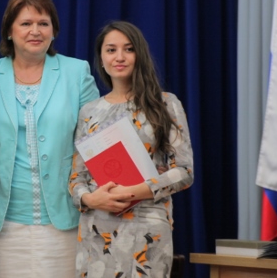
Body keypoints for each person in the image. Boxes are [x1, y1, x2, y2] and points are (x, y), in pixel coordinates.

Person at [0, 0, 99, 278]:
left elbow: (97, 139)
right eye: (26, 23)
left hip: (65, 219)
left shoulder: (76, 72)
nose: (35, 31)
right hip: (6, 223)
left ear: (54, 30)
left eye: (43, 23)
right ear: (9, 31)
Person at [69, 21, 194, 278]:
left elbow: (184, 171)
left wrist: (132, 192)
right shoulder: (89, 111)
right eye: (111, 50)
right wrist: (90, 199)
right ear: (101, 59)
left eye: (128, 49)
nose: (120, 57)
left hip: (146, 227)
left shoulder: (165, 104)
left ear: (140, 55)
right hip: (97, 230)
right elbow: (76, 177)